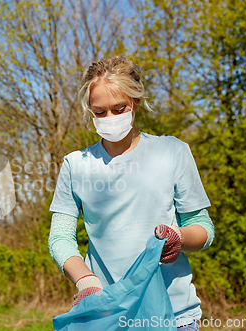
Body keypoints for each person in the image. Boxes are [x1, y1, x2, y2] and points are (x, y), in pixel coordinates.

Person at [48, 56, 213, 330]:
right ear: (90, 110)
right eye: (99, 112)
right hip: (107, 312)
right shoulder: (75, 165)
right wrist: (86, 281)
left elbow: (203, 228)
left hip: (174, 315)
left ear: (135, 102)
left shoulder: (172, 151)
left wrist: (179, 237)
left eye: (119, 108)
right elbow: (60, 238)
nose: (109, 118)